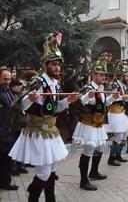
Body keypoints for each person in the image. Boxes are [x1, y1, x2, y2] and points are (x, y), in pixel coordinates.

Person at [9, 31, 79, 201]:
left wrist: (68, 100)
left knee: (52, 170)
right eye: (53, 65)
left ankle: (50, 198)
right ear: (45, 66)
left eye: (58, 65)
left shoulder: (55, 84)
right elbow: (19, 106)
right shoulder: (38, 81)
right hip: (37, 132)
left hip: (50, 130)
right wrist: (30, 99)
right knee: (45, 172)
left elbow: (55, 109)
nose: (57, 68)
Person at [73, 52, 117, 191]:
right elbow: (79, 102)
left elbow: (102, 105)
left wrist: (113, 98)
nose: (103, 77)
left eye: (104, 75)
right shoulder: (88, 88)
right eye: (100, 75)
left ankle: (94, 171)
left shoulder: (101, 88)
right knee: (88, 150)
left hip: (98, 124)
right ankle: (83, 180)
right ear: (93, 75)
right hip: (89, 125)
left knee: (100, 148)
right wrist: (87, 96)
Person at [106, 60, 128, 165]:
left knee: (125, 134)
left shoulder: (123, 85)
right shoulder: (114, 84)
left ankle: (118, 155)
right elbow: (109, 97)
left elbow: (125, 98)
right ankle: (111, 158)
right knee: (118, 136)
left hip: (121, 112)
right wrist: (122, 97)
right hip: (114, 112)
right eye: (126, 75)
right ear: (121, 75)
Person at [0, 68, 19, 190]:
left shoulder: (9, 91)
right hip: (1, 132)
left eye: (9, 79)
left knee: (6, 159)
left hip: (9, 132)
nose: (7, 81)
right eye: (5, 79)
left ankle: (5, 182)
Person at [9, 79, 28, 176]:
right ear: (12, 86)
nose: (19, 87)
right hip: (14, 125)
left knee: (21, 147)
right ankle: (14, 167)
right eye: (17, 85)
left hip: (22, 125)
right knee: (14, 147)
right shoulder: (11, 95)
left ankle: (21, 166)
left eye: (20, 85)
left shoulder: (20, 95)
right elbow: (14, 107)